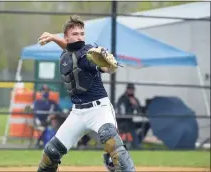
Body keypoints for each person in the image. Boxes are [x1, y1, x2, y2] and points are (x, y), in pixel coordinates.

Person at [36, 15, 135, 172]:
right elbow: (70, 48)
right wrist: (54, 38)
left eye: (82, 33)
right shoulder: (67, 53)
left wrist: (109, 66)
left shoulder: (89, 53)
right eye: (75, 34)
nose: (80, 37)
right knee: (51, 153)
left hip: (99, 109)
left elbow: (105, 67)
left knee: (115, 149)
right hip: (78, 113)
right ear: (66, 37)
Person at [117, 83, 150, 147]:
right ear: (127, 89)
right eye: (129, 89)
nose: (131, 90)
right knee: (136, 145)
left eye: (132, 89)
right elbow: (122, 113)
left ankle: (138, 140)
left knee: (147, 124)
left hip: (130, 122)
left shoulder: (134, 98)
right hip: (122, 123)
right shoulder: (122, 99)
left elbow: (140, 111)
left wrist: (135, 105)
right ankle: (136, 143)